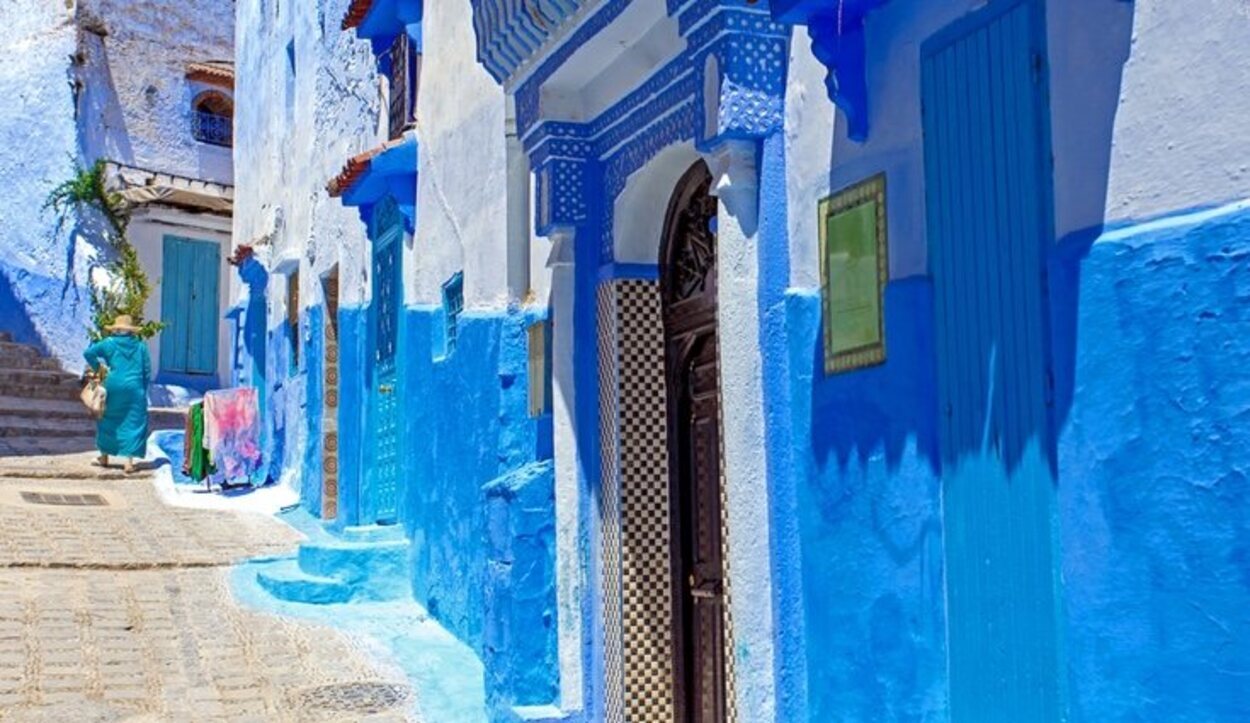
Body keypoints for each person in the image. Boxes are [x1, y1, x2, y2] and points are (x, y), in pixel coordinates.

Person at [83, 315, 151, 474]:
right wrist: (142, 389)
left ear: (115, 329)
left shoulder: (108, 343)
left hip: (113, 384)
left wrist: (99, 370)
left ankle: (104, 457)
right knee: (134, 421)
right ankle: (128, 461)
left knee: (107, 418)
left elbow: (88, 353)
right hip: (135, 387)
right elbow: (147, 371)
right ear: (131, 331)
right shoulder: (141, 346)